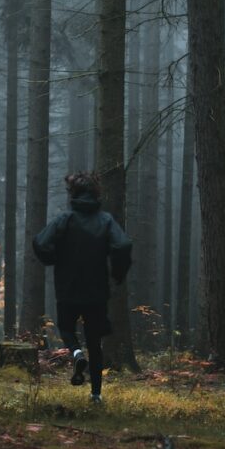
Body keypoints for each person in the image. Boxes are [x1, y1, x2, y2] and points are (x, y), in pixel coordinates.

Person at [33, 171, 132, 402]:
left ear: (74, 194)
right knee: (95, 341)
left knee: (66, 328)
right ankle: (96, 394)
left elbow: (40, 242)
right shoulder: (105, 220)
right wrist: (118, 273)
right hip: (96, 290)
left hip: (68, 287)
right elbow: (123, 245)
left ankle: (76, 353)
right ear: (95, 193)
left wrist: (53, 258)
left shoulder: (65, 220)